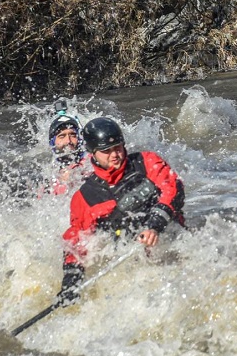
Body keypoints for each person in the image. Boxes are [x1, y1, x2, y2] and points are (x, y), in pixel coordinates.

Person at [59, 117, 185, 303]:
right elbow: (77, 241)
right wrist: (71, 280)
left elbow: (173, 189)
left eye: (117, 147)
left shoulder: (147, 162)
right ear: (93, 153)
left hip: (174, 243)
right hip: (134, 264)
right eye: (106, 151)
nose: (114, 155)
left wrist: (154, 225)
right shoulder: (86, 197)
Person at [45, 99, 89, 195]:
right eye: (61, 136)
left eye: (73, 135)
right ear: (52, 142)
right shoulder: (46, 173)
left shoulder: (89, 162)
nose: (68, 141)